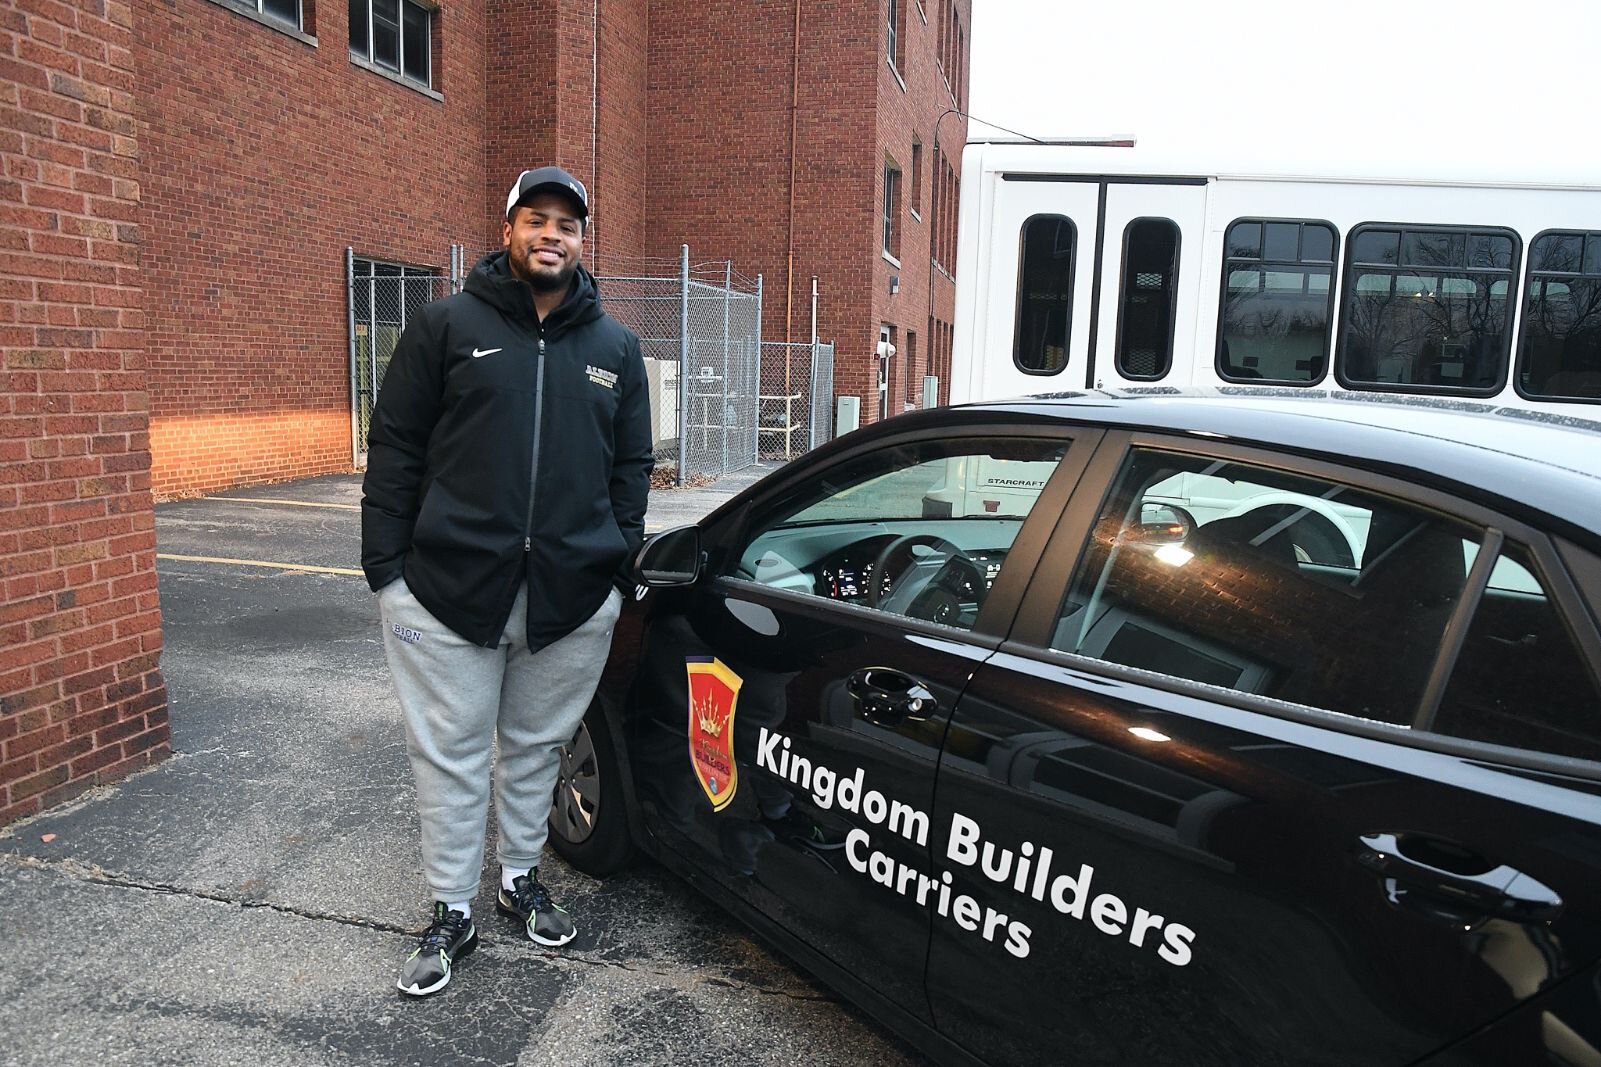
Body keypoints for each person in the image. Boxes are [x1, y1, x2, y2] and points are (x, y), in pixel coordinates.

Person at [361, 165, 653, 997]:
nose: (551, 233)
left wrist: (614, 562)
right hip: (446, 591)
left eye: (567, 222)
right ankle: (453, 909)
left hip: (570, 597)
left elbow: (632, 462)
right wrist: (387, 571)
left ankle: (519, 879)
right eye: (537, 218)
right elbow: (396, 448)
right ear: (509, 228)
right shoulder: (445, 326)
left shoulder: (615, 348)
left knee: (535, 753)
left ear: (582, 240)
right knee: (449, 758)